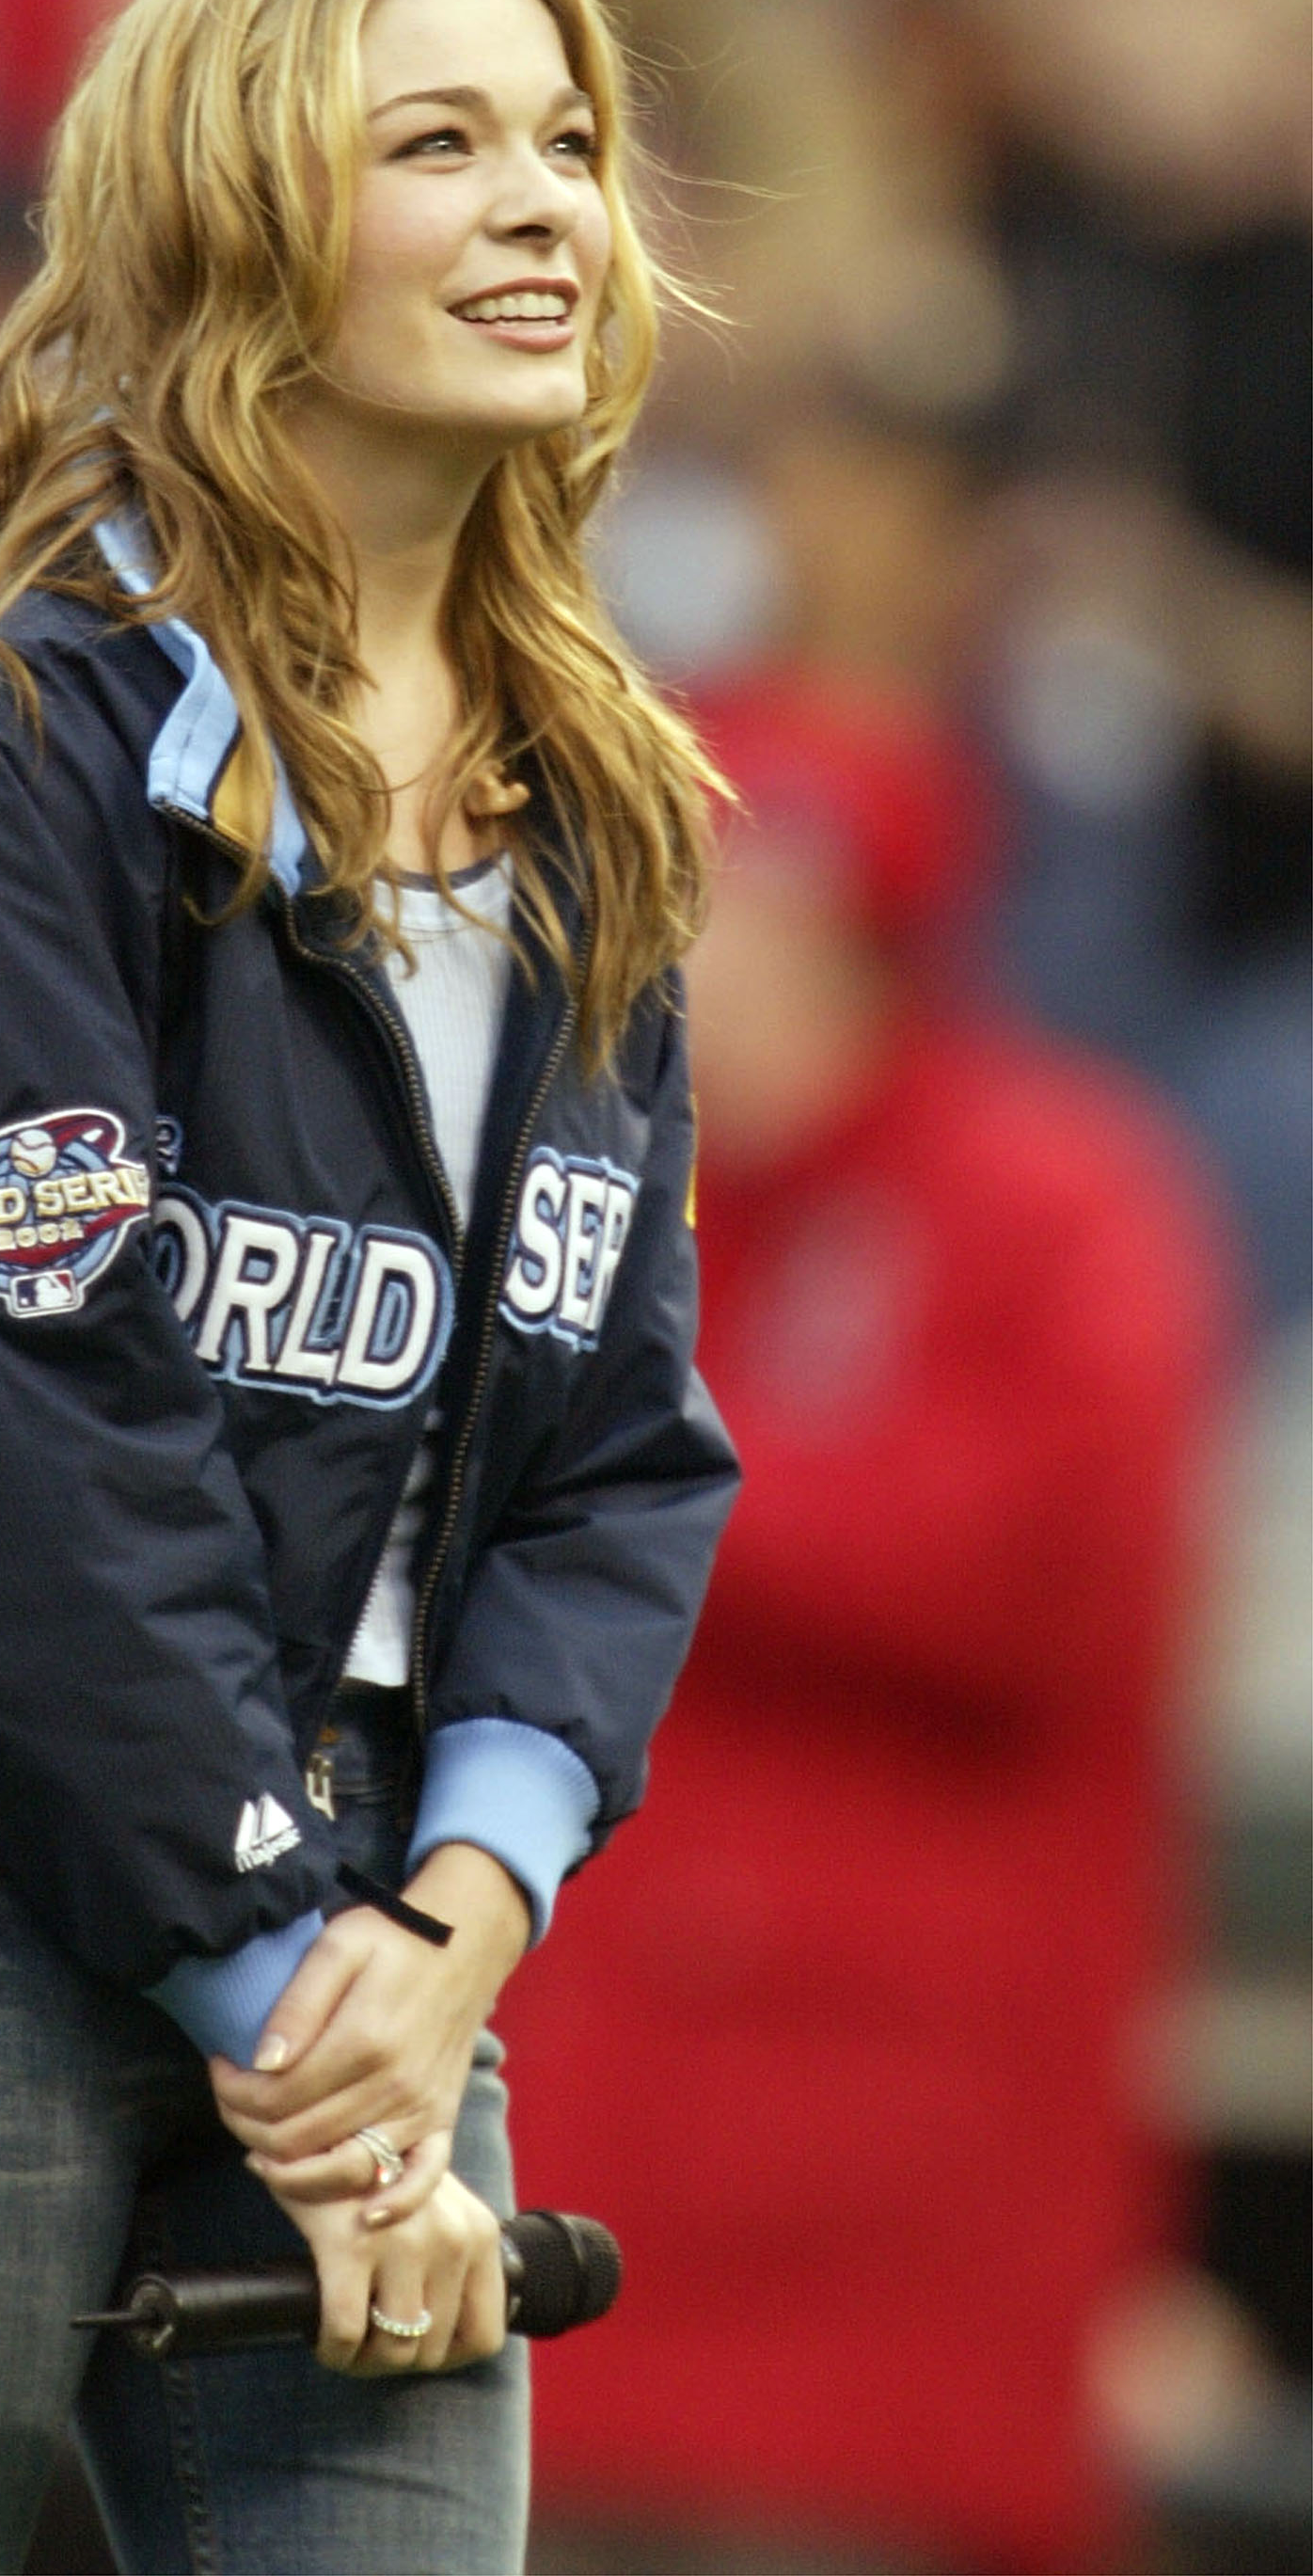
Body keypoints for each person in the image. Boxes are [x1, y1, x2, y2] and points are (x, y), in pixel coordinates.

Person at [0, 0, 740, 2576]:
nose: (546, 208)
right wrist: (288, 1999)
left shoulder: (597, 792)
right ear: (233, 213)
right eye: (436, 144)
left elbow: (613, 1453)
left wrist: (449, 1919)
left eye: (567, 142)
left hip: (369, 1931)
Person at [505, 676, 1235, 2576]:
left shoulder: (1051, 1196)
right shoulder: (579, 1194)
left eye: (749, 921)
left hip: (892, 2262)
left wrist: (632, 1494)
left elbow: (1052, 1577)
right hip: (569, 2209)